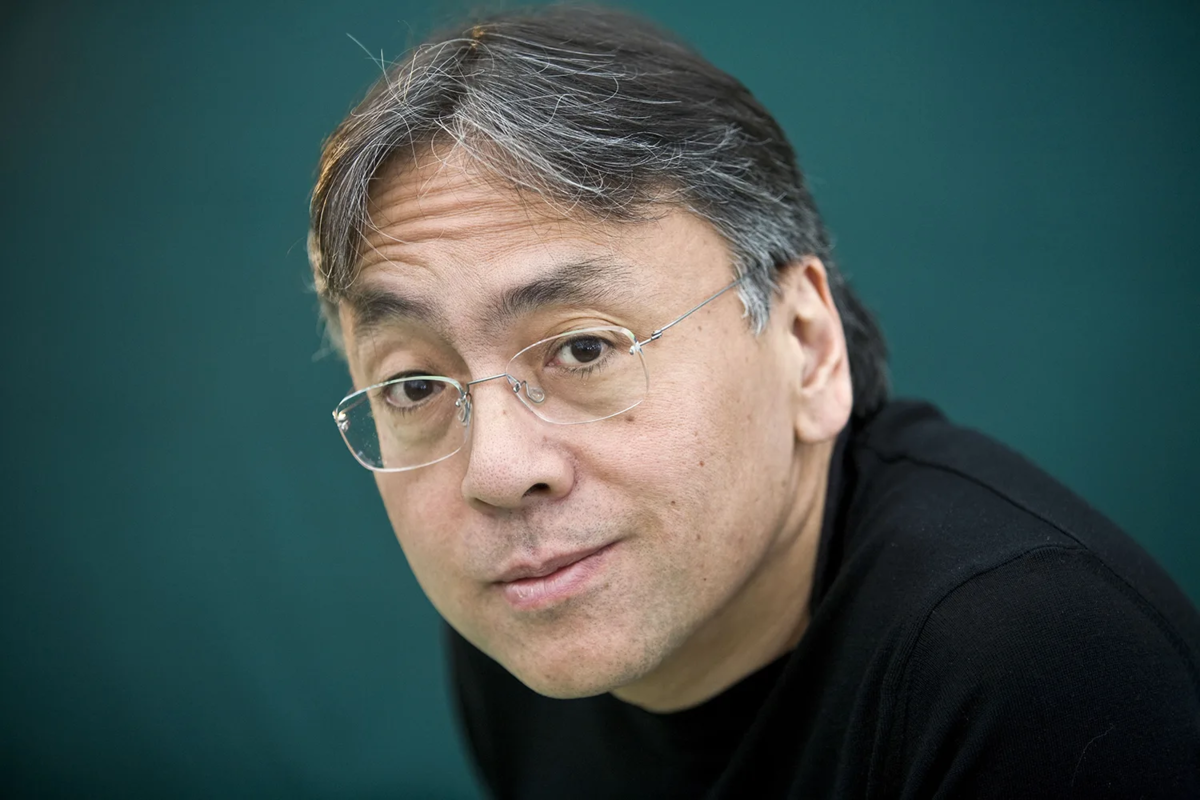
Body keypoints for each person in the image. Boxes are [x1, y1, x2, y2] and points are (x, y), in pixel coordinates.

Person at [307, 6, 1200, 798]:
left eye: (585, 348)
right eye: (415, 386)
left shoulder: (1037, 666)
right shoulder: (538, 603)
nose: (497, 472)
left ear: (806, 345)